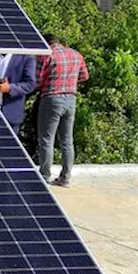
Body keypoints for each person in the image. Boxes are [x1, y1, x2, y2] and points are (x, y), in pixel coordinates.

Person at [36, 33, 89, 187]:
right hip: (71, 99)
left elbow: (38, 79)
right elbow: (85, 76)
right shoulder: (76, 54)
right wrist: (70, 81)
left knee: (47, 139)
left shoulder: (47, 55)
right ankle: (65, 177)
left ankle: (44, 175)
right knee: (67, 140)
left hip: (51, 98)